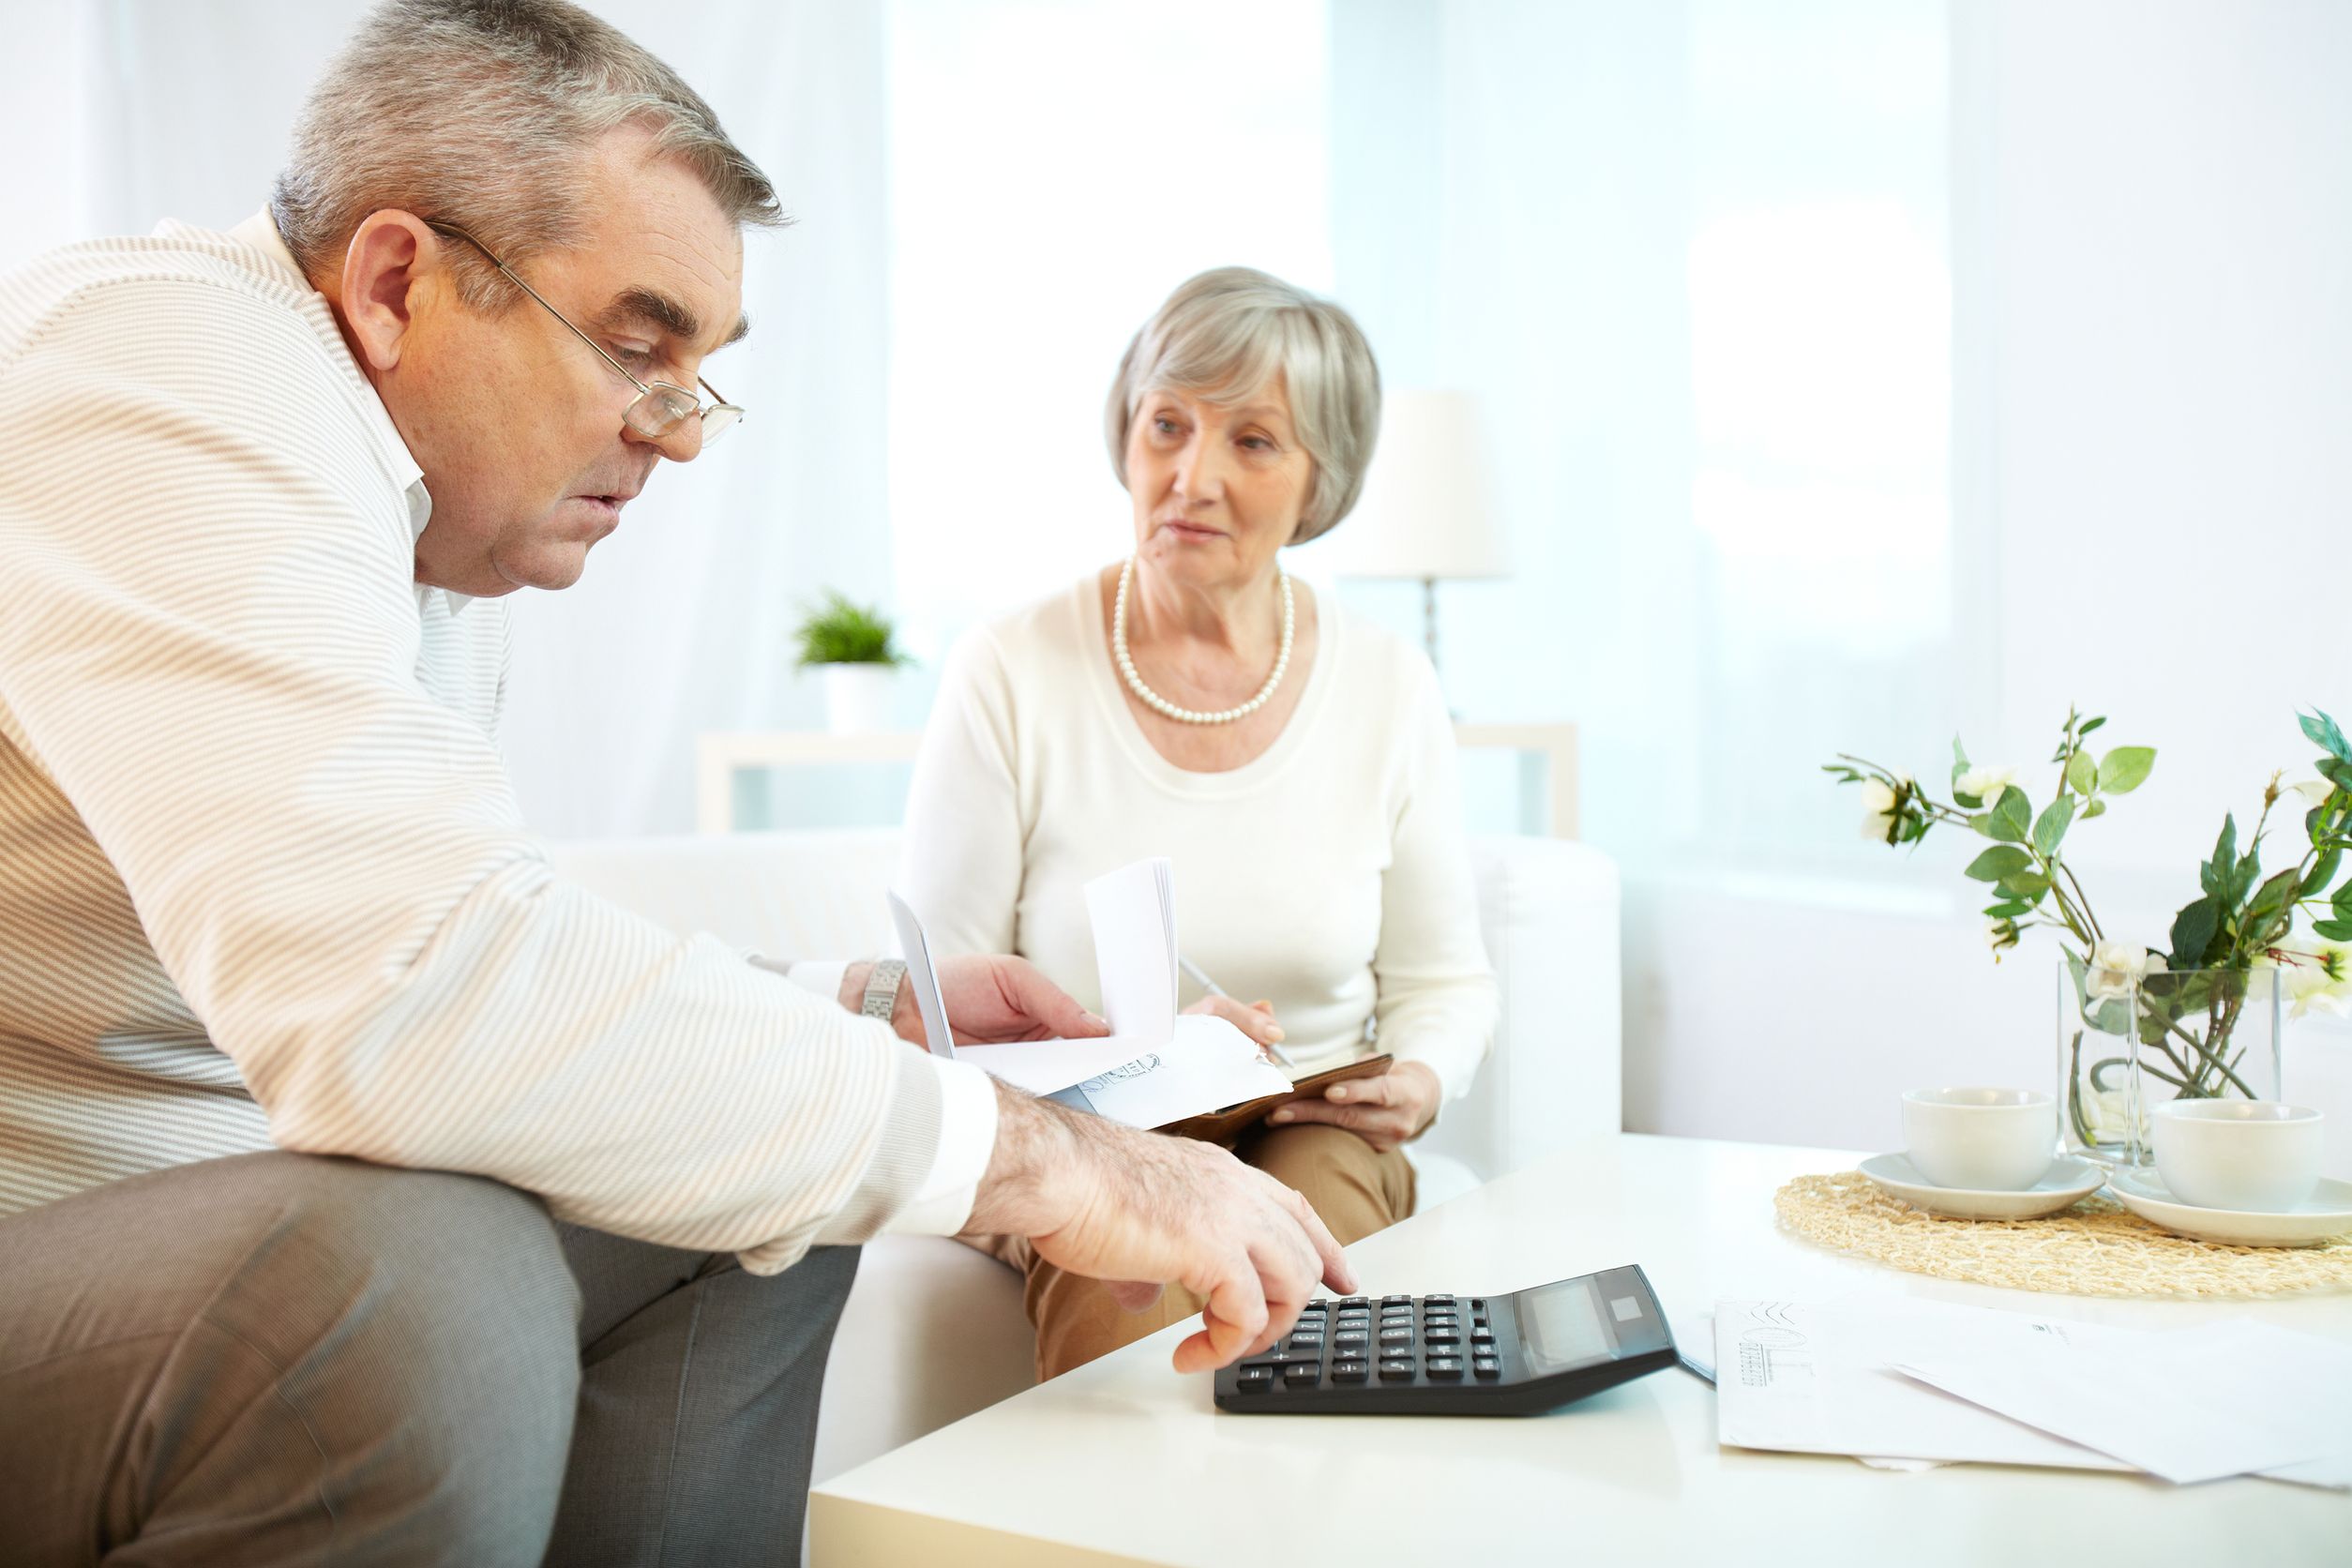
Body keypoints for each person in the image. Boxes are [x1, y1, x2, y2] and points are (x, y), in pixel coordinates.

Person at [0, 7, 1349, 1565]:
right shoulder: (164, 376)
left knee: (748, 1171)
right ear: (391, 285)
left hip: (207, 1223)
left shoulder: (410, 535)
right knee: (418, 1268)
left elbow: (469, 933)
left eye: (700, 372)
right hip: (72, 1258)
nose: (679, 434)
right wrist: (1037, 1155)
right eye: (639, 347)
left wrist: (845, 1004)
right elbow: (409, 1002)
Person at [898, 266, 1498, 1379]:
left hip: (1313, 1114)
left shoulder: (1386, 683)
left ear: (1321, 478)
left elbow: (1446, 982)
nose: (1192, 476)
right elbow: (938, 1003)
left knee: (1305, 1254)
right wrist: (1153, 1057)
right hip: (1086, 1124)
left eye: (1254, 441)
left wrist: (1423, 1073)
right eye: (1167, 425)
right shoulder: (1011, 669)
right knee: (1124, 1270)